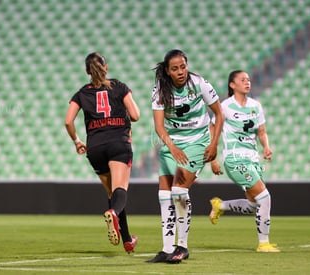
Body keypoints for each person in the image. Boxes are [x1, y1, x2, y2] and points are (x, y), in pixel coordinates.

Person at [147, 49, 224, 263]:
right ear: (167, 71)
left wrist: (214, 144)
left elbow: (219, 114)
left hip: (197, 141)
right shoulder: (160, 90)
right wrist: (171, 146)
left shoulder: (199, 84)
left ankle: (182, 247)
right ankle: (166, 248)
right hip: (173, 144)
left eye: (183, 66)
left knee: (179, 190)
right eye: (175, 68)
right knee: (164, 195)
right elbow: (159, 126)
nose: (181, 71)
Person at [64, 52, 140, 254]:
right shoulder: (119, 86)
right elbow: (135, 115)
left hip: (95, 147)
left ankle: (127, 240)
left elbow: (68, 121)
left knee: (112, 193)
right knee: (120, 190)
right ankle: (113, 213)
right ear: (106, 67)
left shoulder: (82, 93)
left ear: (87, 71)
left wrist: (77, 141)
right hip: (118, 143)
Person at [209, 70, 280, 253]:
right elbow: (212, 128)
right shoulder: (225, 107)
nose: (247, 82)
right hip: (234, 158)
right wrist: (213, 158)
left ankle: (220, 205)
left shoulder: (256, 106)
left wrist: (266, 146)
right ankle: (263, 243)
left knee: (254, 204)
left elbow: (261, 131)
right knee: (265, 197)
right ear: (232, 85)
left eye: (248, 79)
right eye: (242, 80)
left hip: (252, 159)